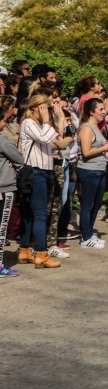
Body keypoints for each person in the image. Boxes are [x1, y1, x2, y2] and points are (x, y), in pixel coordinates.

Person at [17, 94, 73, 269]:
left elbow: (59, 138)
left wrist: (59, 119)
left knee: (29, 214)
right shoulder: (28, 123)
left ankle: (24, 250)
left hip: (42, 172)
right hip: (34, 172)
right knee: (40, 214)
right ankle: (41, 254)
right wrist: (48, 121)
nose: (47, 111)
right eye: (44, 108)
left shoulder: (41, 125)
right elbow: (44, 138)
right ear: (34, 108)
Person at [76, 98, 108, 249]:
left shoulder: (96, 127)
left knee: (96, 204)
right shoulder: (86, 128)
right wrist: (105, 148)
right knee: (87, 204)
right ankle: (85, 236)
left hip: (99, 170)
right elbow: (86, 152)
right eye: (100, 109)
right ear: (91, 112)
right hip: (88, 171)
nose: (103, 112)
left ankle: (89, 233)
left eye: (104, 109)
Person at [0, 96, 23, 277]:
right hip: (4, 187)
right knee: (2, 228)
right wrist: (11, 160)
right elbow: (20, 157)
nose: (3, 124)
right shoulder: (3, 140)